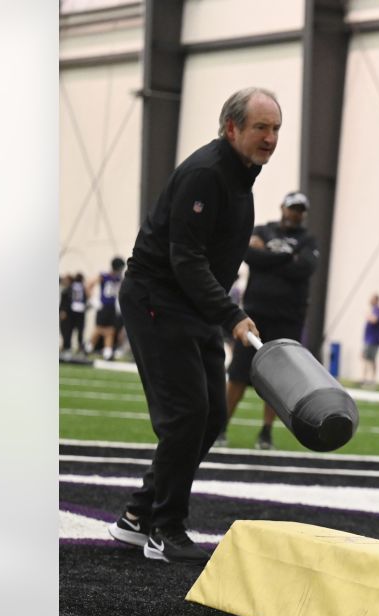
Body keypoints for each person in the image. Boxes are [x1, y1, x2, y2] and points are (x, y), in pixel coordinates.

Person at [105, 87, 279, 565]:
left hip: (194, 307)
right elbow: (185, 258)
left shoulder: (243, 174)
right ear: (232, 129)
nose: (270, 137)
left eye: (276, 128)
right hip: (158, 300)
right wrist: (232, 315)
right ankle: (166, 528)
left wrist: (222, 311)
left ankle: (139, 517)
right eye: (261, 127)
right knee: (185, 415)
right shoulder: (207, 173)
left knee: (211, 417)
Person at [220, 191, 320, 450]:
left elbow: (305, 268)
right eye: (292, 208)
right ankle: (220, 427)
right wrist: (288, 257)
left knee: (279, 381)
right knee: (238, 374)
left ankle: (266, 432)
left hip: (289, 318)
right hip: (255, 315)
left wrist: (269, 258)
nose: (295, 213)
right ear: (283, 208)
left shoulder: (308, 239)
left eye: (300, 210)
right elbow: (250, 256)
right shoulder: (263, 230)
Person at [87, 257, 126, 360]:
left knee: (111, 330)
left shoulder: (119, 279)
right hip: (103, 306)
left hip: (112, 308)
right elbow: (89, 285)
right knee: (99, 329)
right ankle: (89, 348)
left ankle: (107, 352)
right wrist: (93, 300)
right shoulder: (104, 276)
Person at [60, 272, 88, 358]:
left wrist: (62, 310)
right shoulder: (82, 288)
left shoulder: (70, 288)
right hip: (79, 313)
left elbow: (65, 299)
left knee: (68, 331)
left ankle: (68, 348)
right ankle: (78, 348)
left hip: (70, 313)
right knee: (79, 332)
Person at [361, 293, 379, 387]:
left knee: (371, 359)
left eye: (372, 299)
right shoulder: (373, 310)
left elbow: (375, 320)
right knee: (366, 358)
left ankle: (371, 380)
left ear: (376, 300)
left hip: (373, 339)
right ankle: (364, 379)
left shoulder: (378, 310)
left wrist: (368, 315)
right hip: (368, 338)